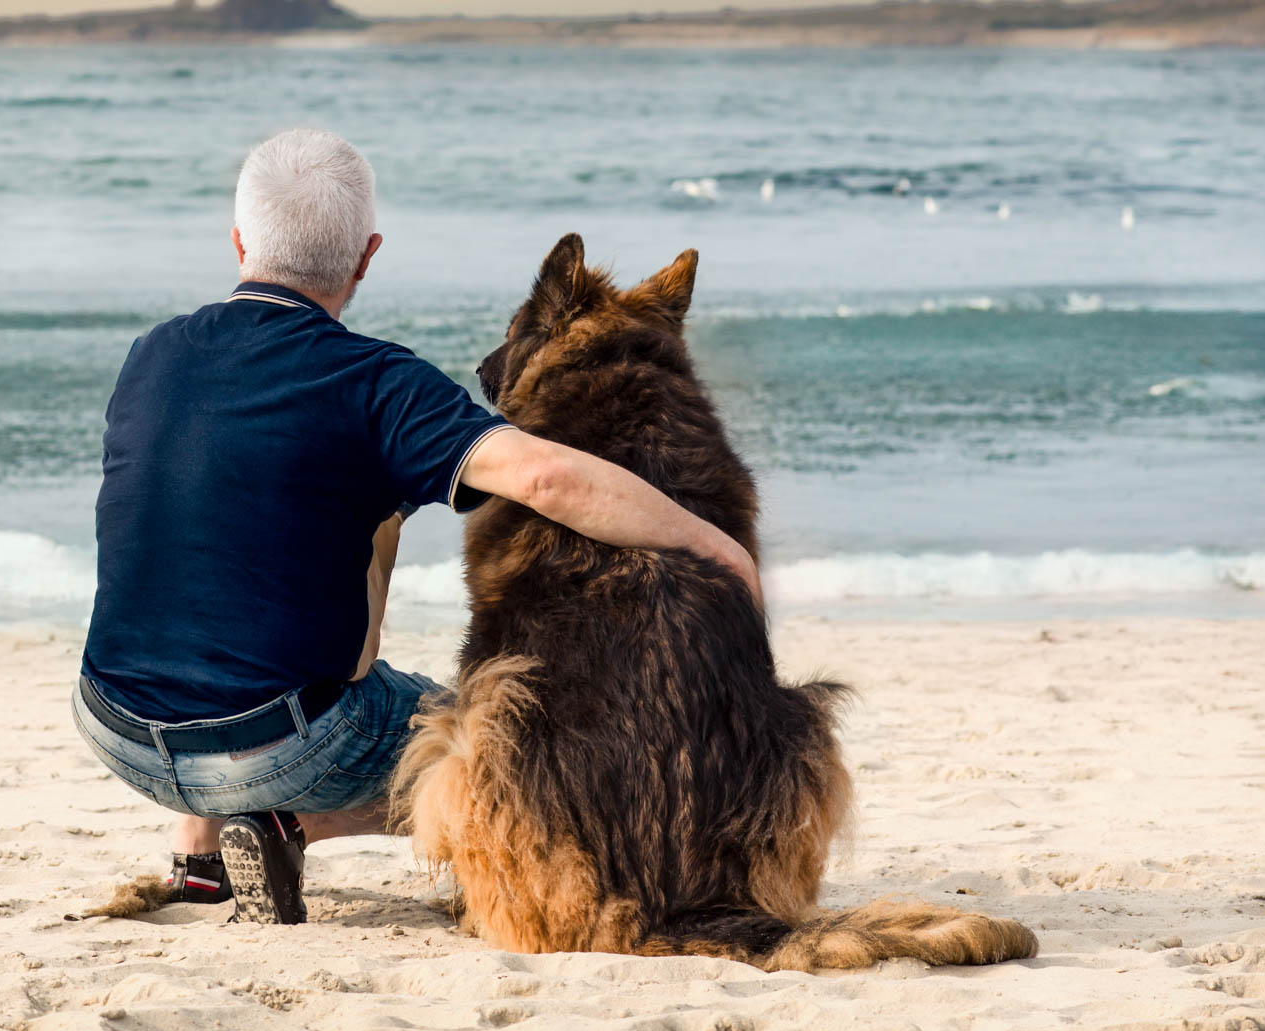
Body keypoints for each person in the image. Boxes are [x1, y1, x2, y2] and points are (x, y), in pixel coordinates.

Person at [73, 129, 760, 925]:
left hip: (115, 722)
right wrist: (713, 545)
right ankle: (287, 824)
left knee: (215, 591)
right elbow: (543, 475)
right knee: (487, 749)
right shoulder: (374, 381)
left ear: (238, 243)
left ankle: (199, 864)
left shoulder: (149, 354)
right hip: (271, 745)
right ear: (366, 257)